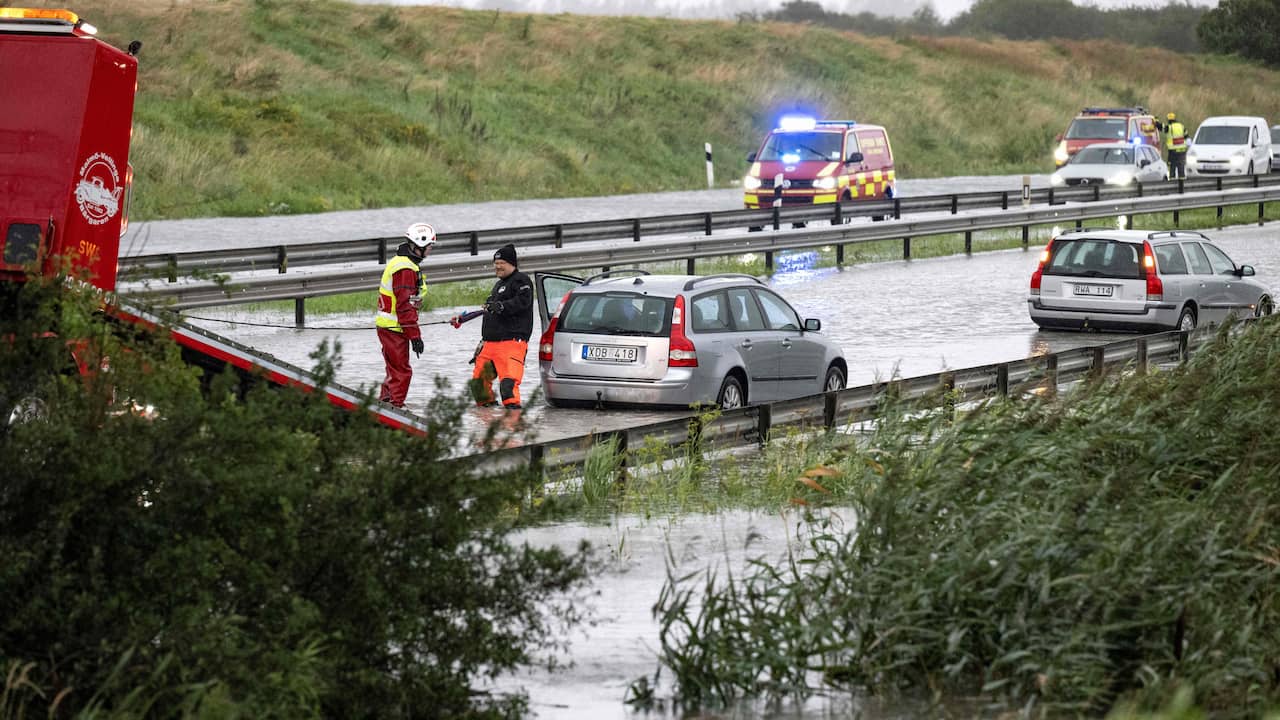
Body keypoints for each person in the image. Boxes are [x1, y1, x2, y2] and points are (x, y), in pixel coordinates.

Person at [451, 243, 533, 410]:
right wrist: (463, 318)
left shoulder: (522, 280)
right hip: (489, 344)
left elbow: (523, 302)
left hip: (512, 342)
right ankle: (486, 427)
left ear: (512, 263)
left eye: (501, 263)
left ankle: (513, 428)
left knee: (508, 388)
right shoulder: (497, 286)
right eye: (495, 263)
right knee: (478, 388)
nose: (497, 267)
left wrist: (502, 306)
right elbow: (487, 309)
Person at [375, 222, 435, 407]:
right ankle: (394, 409)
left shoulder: (402, 262)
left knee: (393, 370)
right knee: (402, 372)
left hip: (389, 327)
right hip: (395, 328)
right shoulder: (406, 269)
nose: (430, 251)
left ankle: (384, 403)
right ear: (420, 246)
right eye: (430, 247)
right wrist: (415, 336)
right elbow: (404, 306)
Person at [1156, 111, 1189, 180]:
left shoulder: (1169, 127)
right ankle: (1182, 183)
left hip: (1173, 152)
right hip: (1182, 151)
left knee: (1172, 167)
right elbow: (1187, 137)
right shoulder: (1181, 126)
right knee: (1181, 167)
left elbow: (1161, 127)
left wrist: (1156, 121)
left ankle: (1172, 183)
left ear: (1168, 120)